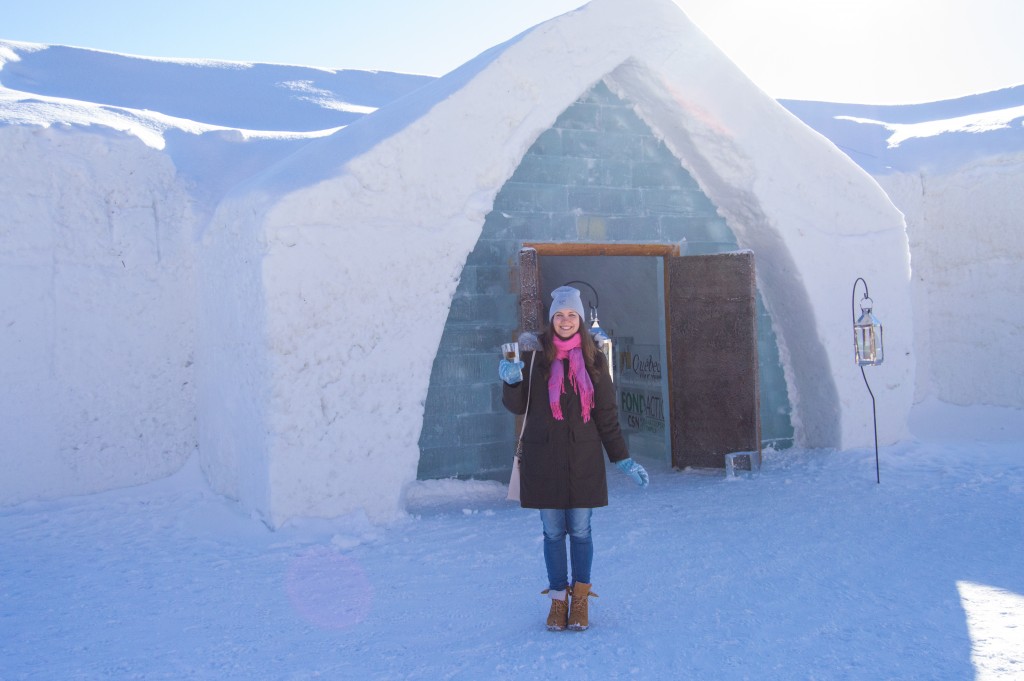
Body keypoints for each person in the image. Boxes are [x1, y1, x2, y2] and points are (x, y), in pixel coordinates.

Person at [499, 285, 649, 632]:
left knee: (580, 530)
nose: (565, 321)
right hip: (543, 457)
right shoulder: (535, 356)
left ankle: (579, 598)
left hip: (583, 458)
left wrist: (623, 459)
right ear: (552, 320)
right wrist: (511, 382)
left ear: (579, 320)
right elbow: (517, 407)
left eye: (571, 315)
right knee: (552, 533)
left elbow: (606, 416)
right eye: (559, 315)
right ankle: (557, 600)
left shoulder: (594, 359)